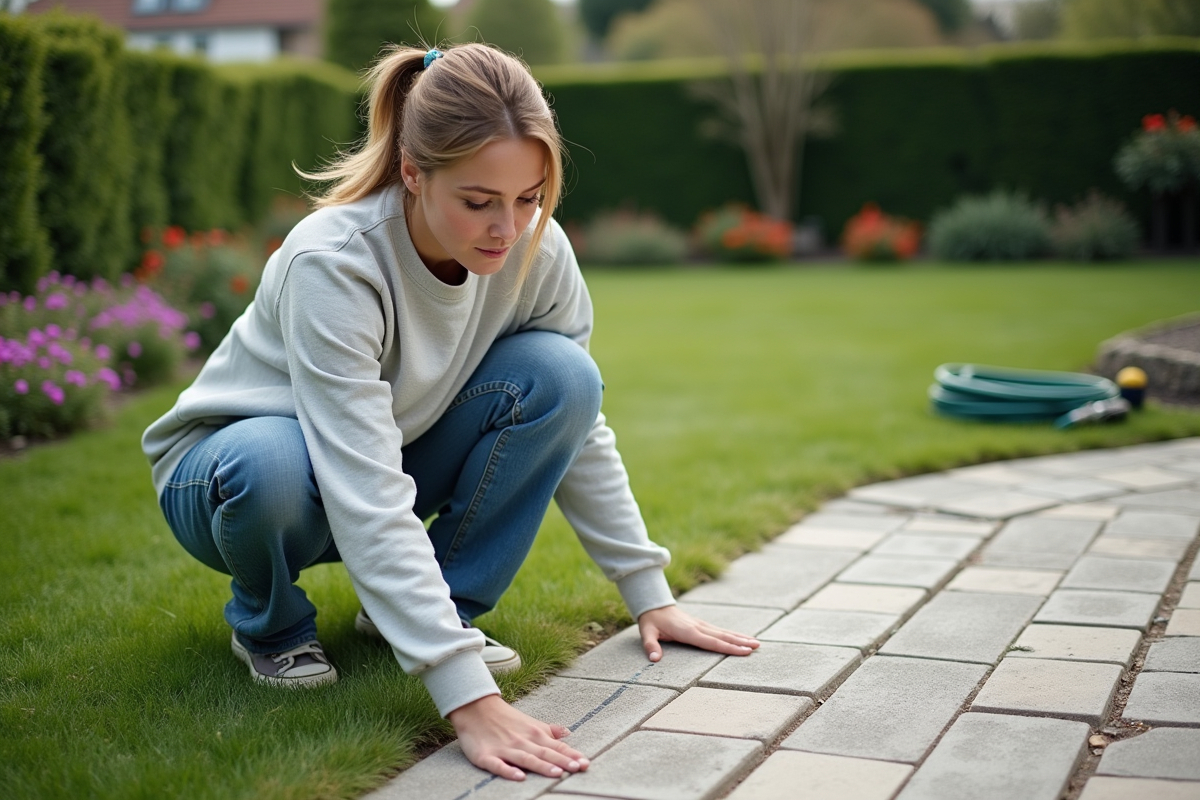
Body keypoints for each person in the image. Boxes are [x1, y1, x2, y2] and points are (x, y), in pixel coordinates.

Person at [142, 42, 760, 782]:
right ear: (412, 172)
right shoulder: (334, 261)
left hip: (389, 448)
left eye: (529, 197)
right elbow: (363, 484)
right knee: (269, 462)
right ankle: (270, 626)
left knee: (564, 375)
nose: (508, 227)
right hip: (228, 476)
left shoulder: (535, 249)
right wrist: (468, 697)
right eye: (478, 201)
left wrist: (649, 595)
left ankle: (440, 612)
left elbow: (577, 424)